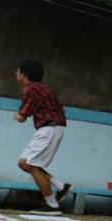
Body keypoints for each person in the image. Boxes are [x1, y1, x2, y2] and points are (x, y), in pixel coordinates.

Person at [13, 60, 73, 212]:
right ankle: (60, 186)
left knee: (33, 165)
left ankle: (52, 205)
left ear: (23, 75)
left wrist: (16, 115)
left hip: (49, 129)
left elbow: (22, 117)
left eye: (17, 71)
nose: (16, 74)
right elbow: (61, 109)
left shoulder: (30, 89)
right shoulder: (46, 89)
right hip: (50, 128)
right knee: (24, 162)